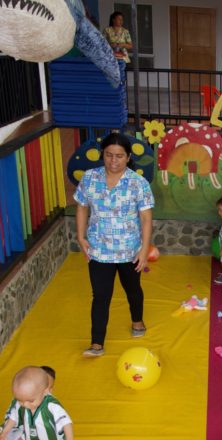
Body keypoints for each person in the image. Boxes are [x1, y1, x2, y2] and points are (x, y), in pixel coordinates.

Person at [75, 133, 154, 357]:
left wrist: (144, 250)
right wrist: (81, 237)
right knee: (100, 295)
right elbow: (81, 207)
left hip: (130, 250)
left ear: (128, 157)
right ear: (103, 154)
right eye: (109, 155)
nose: (113, 160)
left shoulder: (138, 183)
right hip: (98, 250)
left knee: (132, 289)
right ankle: (97, 342)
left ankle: (137, 320)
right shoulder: (90, 178)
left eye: (119, 156)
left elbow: (146, 218)